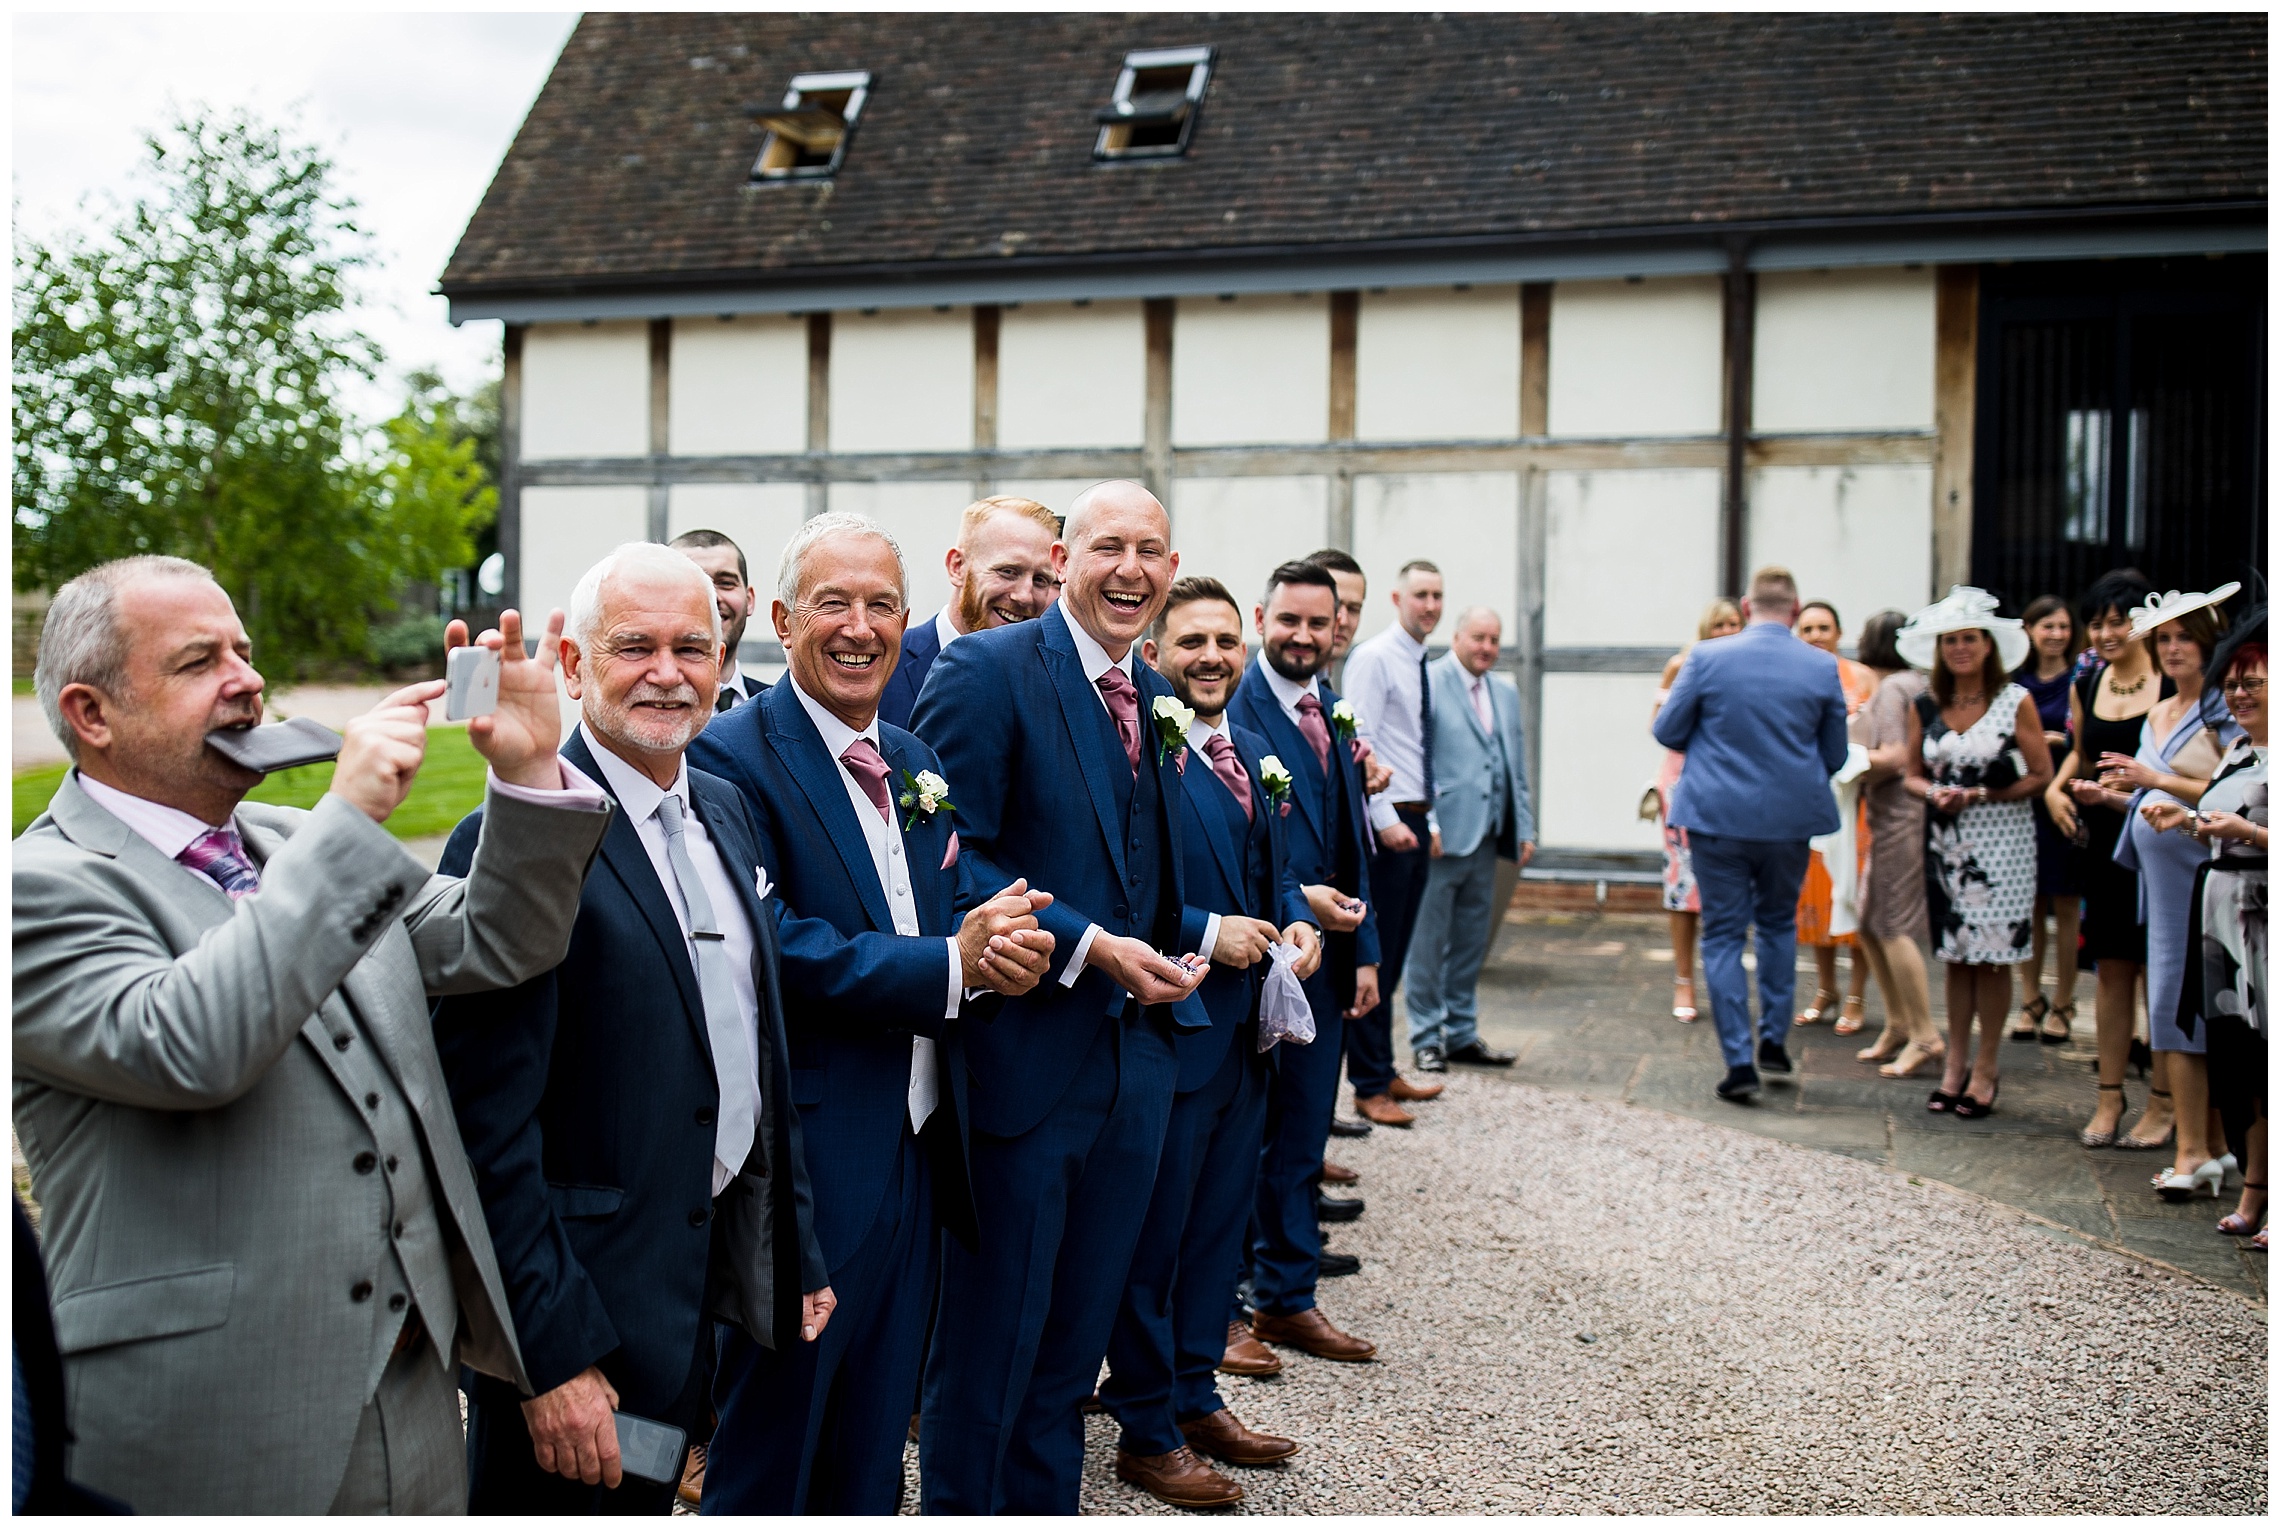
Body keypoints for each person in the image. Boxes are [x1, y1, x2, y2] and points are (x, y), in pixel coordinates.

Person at [13, 554, 612, 1513]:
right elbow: (190, 1044)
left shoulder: (289, 843)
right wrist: (353, 815)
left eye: (244, 651)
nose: (247, 679)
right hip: (205, 1422)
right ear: (93, 714)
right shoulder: (37, 889)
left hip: (409, 1406)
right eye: (199, 661)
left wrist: (531, 769)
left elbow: (500, 941)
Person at [432, 543, 831, 1512]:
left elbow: (753, 1047)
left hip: (687, 1289)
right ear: (571, 665)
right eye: (634, 646)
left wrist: (793, 1244)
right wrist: (548, 1359)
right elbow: (479, 1127)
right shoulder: (513, 836)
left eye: (693, 647)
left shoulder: (726, 810)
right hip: (579, 1319)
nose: (668, 672)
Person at [686, 514, 1055, 1512]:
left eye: (881, 604)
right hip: (807, 1163)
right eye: (833, 604)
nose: (861, 627)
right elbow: (775, 945)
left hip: (922, 1152)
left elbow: (937, 907)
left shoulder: (910, 749)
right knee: (771, 1454)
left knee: (870, 1452)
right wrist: (948, 962)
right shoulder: (728, 757)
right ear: (779, 619)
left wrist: (993, 954)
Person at [908, 481, 1208, 1514]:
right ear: (1066, 555)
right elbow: (945, 854)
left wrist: (1186, 946)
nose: (1132, 569)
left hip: (1136, 1067)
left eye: (1153, 550)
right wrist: (1089, 944)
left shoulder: (1151, 688)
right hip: (1024, 1067)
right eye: (1110, 546)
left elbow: (1144, 862)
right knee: (993, 1349)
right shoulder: (987, 669)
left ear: (1173, 569)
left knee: (1070, 1357)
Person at [1101, 577, 1321, 1510]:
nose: (1212, 658)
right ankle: (1146, 1427)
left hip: (1246, 1040)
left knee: (1214, 1237)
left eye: (1227, 641)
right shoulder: (1138, 755)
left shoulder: (1252, 749)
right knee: (1155, 1241)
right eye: (1190, 641)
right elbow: (1119, 889)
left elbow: (1269, 879)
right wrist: (1205, 929)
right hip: (1173, 1029)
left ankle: (1197, 1394)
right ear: (1154, 653)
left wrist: (1294, 923)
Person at [1227, 561, 1384, 1360]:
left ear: (1336, 630)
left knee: (1303, 1136)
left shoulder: (1332, 709)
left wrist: (1367, 957)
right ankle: (1235, 1298)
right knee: (1246, 1139)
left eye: (1319, 624)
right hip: (1257, 955)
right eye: (1289, 620)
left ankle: (1288, 1295)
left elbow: (1355, 844)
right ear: (1264, 618)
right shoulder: (1231, 707)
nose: (1303, 636)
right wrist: (1298, 897)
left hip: (1327, 963)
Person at [1652, 565, 1850, 1103]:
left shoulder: (1709, 657)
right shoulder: (1820, 666)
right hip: (1787, 822)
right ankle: (1773, 1041)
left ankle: (1738, 1059)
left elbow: (1667, 730)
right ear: (1795, 607)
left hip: (1716, 817)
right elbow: (1834, 753)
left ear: (1745, 607)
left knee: (1721, 934)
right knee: (1777, 925)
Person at [2104, 585, 2243, 1200]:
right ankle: (2206, 1147)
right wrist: (2114, 795)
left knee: (2188, 1005)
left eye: (2186, 636)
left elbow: (2232, 787)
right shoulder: (2160, 707)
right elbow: (2151, 791)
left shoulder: (2224, 709)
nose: (2174, 648)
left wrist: (2152, 780)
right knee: (2167, 1002)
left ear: (2209, 643)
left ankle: (2194, 1149)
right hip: (2158, 879)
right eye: (2164, 638)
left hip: (2202, 873)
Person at [1897, 587, 2055, 1119]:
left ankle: (1986, 1066)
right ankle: (1954, 1062)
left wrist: (1984, 792)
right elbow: (1910, 775)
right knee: (1956, 959)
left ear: (1988, 646)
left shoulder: (2016, 702)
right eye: (1951, 641)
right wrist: (1933, 792)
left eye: (1969, 639)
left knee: (1992, 961)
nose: (1960, 649)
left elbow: (2041, 775)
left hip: (2002, 843)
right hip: (1946, 845)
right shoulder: (1926, 703)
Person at [2147, 612, 2266, 1245]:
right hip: (2222, 912)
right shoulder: (2241, 749)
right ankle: (2253, 1189)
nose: (2240, 693)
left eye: (2255, 682)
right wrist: (2185, 819)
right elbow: (2222, 819)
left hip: (2265, 914)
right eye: (2235, 683)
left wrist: (2244, 832)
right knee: (2239, 1060)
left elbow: (2250, 830)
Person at [2044, 570, 2169, 1149]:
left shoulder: (2171, 679)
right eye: (2096, 622)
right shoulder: (2088, 679)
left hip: (2161, 838)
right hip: (2102, 835)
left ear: (2142, 621)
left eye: (2117, 620)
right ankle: (2109, 1096)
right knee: (2113, 969)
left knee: (2159, 974)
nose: (2104, 632)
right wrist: (2053, 787)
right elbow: (2079, 751)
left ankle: (2166, 1102)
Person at [1335, 559, 1450, 1114]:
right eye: (1420, 594)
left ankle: (1380, 1069)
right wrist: (1386, 820)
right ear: (1397, 598)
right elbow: (1362, 742)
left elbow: (1417, 746)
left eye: (1437, 596)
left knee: (1395, 957)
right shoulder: (1376, 658)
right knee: (1374, 959)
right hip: (1390, 821)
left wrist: (1428, 821)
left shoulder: (1418, 660)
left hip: (1414, 817)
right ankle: (1370, 1087)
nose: (1430, 605)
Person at [1406, 607, 1535, 1069]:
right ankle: (1425, 1035)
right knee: (1428, 940)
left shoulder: (1505, 691)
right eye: (1478, 637)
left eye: (1494, 640)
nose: (1486, 647)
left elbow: (1515, 765)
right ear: (1458, 637)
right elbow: (1417, 757)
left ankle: (1461, 1031)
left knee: (1470, 941)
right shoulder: (1430, 680)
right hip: (1444, 835)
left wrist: (1525, 825)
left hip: (1489, 836)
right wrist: (1430, 821)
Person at [1850, 610, 1946, 1077]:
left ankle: (1925, 1033)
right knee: (1868, 919)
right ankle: (1898, 1022)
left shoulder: (1894, 688)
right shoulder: (1914, 683)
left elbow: (1894, 756)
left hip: (1901, 818)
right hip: (1893, 816)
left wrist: (1845, 760)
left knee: (1891, 923)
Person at [878, 494, 1059, 729]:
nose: (1024, 596)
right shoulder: (884, 666)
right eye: (1008, 572)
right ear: (957, 566)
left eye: (1041, 580)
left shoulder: (1051, 685)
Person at [1791, 600, 1880, 1034]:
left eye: (1823, 627)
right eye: (1807, 629)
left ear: (1839, 632)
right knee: (1815, 899)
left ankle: (1857, 994)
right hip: (1810, 797)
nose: (1816, 636)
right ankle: (1825, 989)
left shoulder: (1862, 677)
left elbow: (1880, 732)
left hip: (1857, 798)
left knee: (1852, 896)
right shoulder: (1793, 675)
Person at [1654, 598, 1744, 1022]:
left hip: (1732, 785)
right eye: (1719, 624)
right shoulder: (1683, 665)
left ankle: (1723, 978)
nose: (1727, 630)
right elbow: (1660, 727)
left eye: (1734, 623)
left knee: (1726, 885)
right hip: (1684, 781)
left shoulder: (1750, 670)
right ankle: (1683, 979)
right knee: (1682, 883)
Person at [2012, 594, 2083, 1043]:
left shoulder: (2082, 677)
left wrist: (2058, 740)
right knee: (2029, 903)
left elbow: (2085, 740)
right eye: (2046, 626)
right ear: (2030, 631)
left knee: (2067, 905)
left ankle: (2064, 1001)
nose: (2055, 634)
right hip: (2026, 798)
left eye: (2062, 626)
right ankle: (2030, 997)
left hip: (2067, 796)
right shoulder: (2016, 683)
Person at [672, 528, 766, 708]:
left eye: (726, 583)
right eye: (694, 583)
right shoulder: (644, 713)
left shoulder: (783, 710)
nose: (712, 596)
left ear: (749, 600)